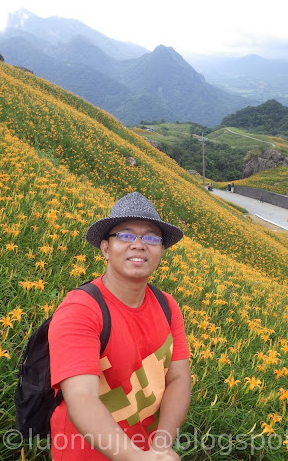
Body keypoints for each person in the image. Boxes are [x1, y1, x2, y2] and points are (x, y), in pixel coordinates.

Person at [48, 192, 191, 460]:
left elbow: (179, 378)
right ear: (105, 248)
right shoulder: (81, 310)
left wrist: (160, 446)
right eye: (125, 236)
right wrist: (136, 457)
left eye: (151, 237)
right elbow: (82, 397)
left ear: (161, 250)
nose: (139, 245)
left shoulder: (167, 306)